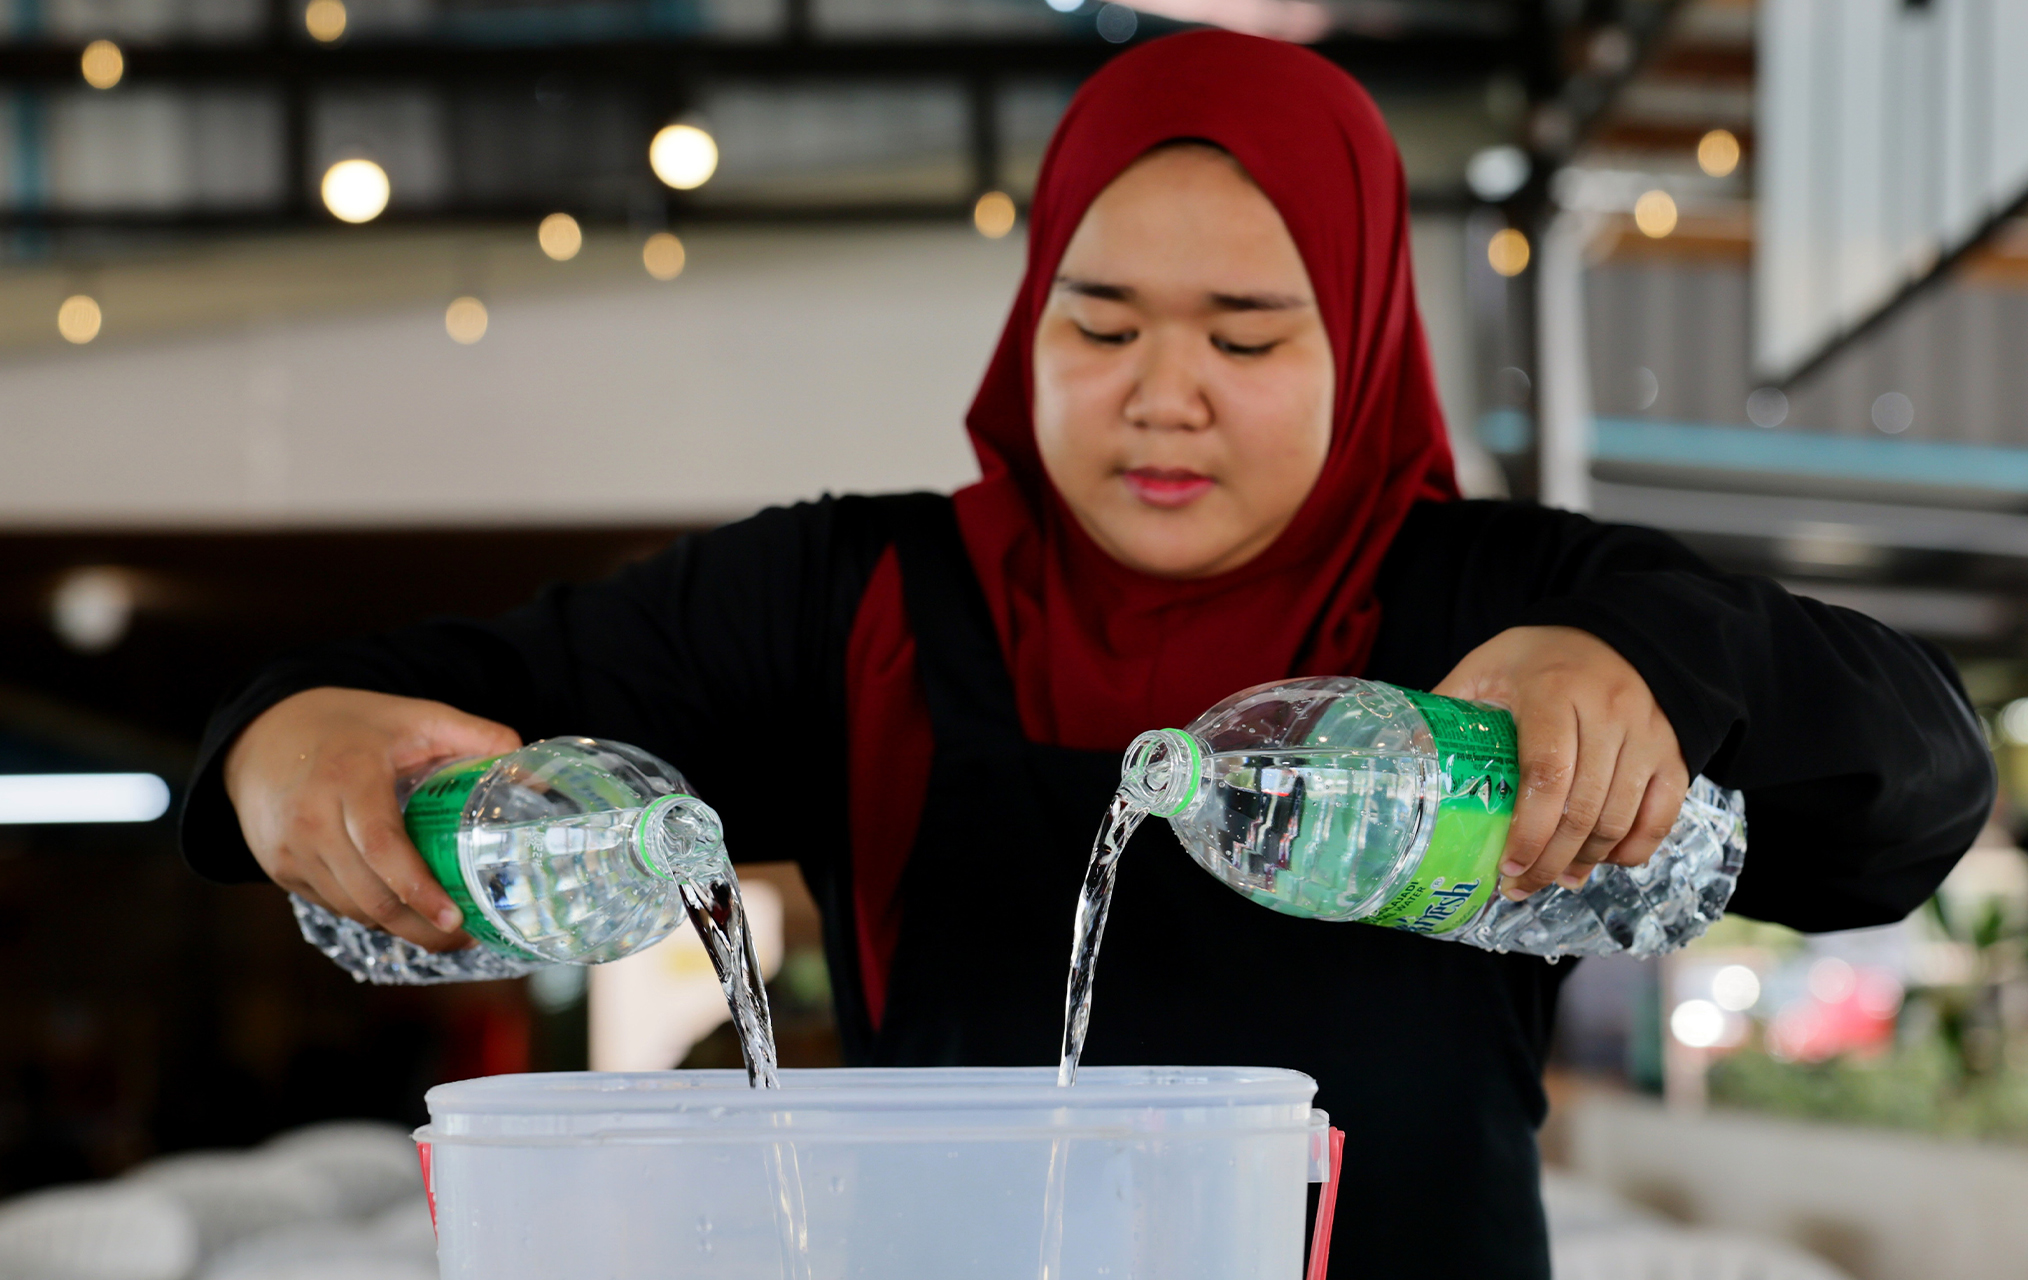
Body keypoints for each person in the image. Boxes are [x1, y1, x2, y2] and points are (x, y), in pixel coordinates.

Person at [179, 31, 1993, 1278]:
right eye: (1100, 318)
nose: (1162, 393)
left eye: (1250, 334)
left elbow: (1910, 798)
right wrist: (291, 743)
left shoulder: (1491, 602)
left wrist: (1646, 661)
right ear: (1028, 320)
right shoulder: (849, 599)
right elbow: (440, 688)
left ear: (1360, 342)